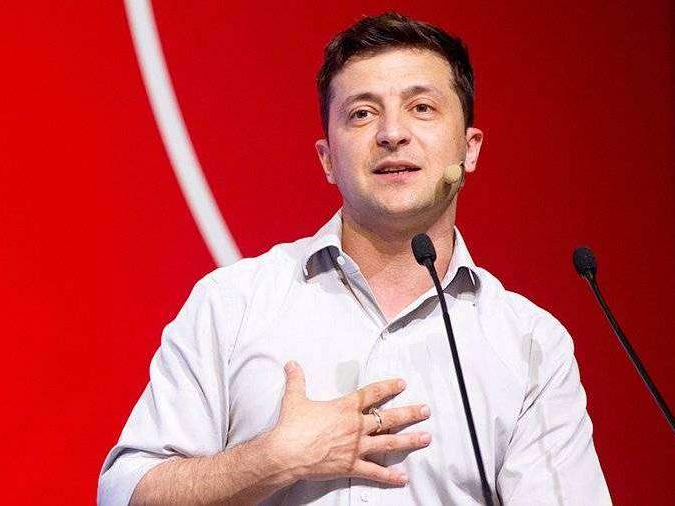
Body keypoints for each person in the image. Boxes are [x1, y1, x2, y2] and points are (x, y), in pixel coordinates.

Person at [99, 12, 611, 506]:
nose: (392, 133)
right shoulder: (232, 304)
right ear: (327, 159)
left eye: (422, 108)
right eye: (362, 113)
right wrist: (271, 461)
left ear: (469, 148)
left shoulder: (529, 343)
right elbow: (124, 493)